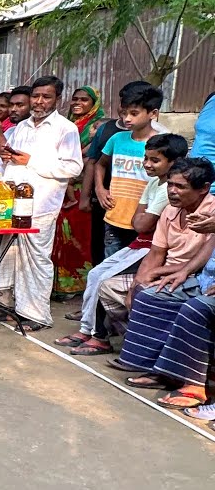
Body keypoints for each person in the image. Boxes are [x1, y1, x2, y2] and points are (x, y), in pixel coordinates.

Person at [56, 134, 186, 356]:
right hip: (140, 242)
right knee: (96, 274)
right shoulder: (154, 182)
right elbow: (138, 222)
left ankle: (99, 336)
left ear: (173, 162)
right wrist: (142, 217)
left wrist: (143, 217)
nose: (147, 164)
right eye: (146, 158)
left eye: (155, 161)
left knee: (104, 280)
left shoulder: (166, 190)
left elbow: (143, 222)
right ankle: (88, 330)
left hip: (151, 248)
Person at [108, 158, 215, 407]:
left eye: (181, 187)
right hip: (195, 276)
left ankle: (190, 383)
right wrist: (138, 284)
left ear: (203, 188)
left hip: (198, 279)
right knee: (147, 294)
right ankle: (154, 368)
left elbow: (203, 252)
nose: (173, 191)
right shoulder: (169, 210)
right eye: (170, 185)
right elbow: (159, 252)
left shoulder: (212, 211)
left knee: (194, 309)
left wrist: (183, 271)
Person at [0, 75, 83, 329]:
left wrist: (30, 161)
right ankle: (10, 307)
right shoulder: (21, 127)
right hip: (13, 202)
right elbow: (8, 161)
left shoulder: (65, 128)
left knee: (36, 259)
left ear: (57, 99)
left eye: (46, 97)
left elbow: (73, 167)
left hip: (41, 205)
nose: (39, 102)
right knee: (10, 256)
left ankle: (36, 315)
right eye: (36, 96)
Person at [50, 86, 106, 300]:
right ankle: (57, 285)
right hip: (60, 186)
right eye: (75, 99)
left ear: (94, 104)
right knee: (58, 235)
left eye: (84, 100)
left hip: (81, 187)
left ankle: (77, 285)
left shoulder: (98, 127)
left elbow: (91, 159)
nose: (78, 103)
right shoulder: (66, 125)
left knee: (77, 237)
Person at [96, 83, 163, 257]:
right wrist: (100, 189)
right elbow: (100, 164)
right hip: (114, 215)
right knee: (109, 264)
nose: (127, 118)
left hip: (145, 219)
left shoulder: (161, 144)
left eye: (134, 113)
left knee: (135, 266)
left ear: (153, 114)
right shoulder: (117, 139)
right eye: (124, 113)